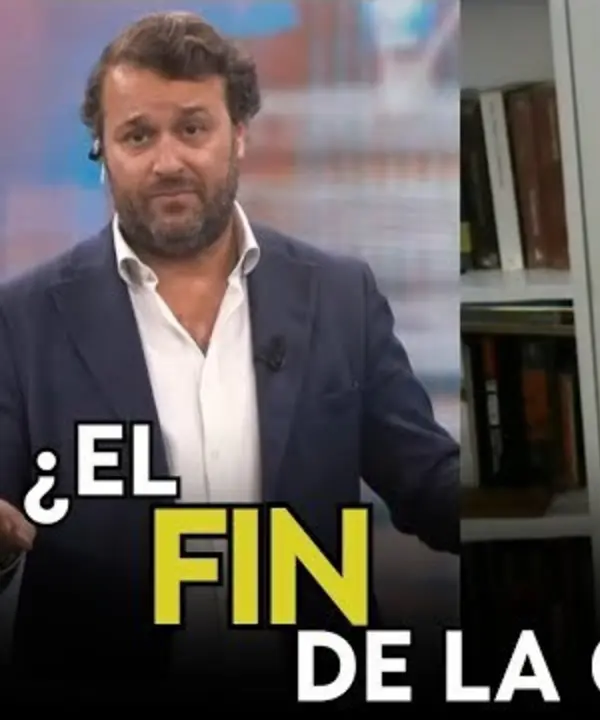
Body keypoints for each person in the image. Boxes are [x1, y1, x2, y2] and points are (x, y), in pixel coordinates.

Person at [0, 11, 458, 702]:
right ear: (102, 151)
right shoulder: (24, 319)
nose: (167, 161)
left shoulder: (339, 296)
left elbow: (426, 480)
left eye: (192, 128)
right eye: (137, 135)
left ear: (238, 134)